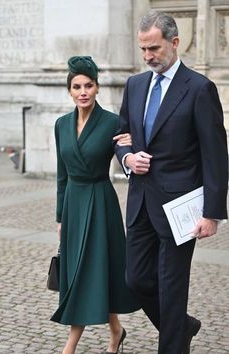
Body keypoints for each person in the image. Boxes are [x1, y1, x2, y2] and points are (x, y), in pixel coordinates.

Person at [114, 10, 228, 354]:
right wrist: (128, 158)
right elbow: (121, 134)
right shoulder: (134, 85)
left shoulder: (199, 89)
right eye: (143, 49)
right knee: (136, 279)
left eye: (154, 48)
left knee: (172, 287)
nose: (148, 56)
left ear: (174, 43)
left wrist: (213, 213)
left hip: (181, 209)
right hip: (140, 203)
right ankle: (182, 326)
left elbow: (216, 155)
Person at [50, 56, 140, 354]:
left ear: (98, 87)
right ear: (70, 90)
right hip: (74, 205)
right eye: (77, 86)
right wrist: (61, 216)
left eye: (89, 85)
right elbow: (62, 175)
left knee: (91, 269)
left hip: (101, 202)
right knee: (88, 270)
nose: (83, 91)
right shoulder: (61, 124)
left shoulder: (113, 122)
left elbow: (128, 158)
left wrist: (132, 148)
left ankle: (69, 348)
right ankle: (116, 332)